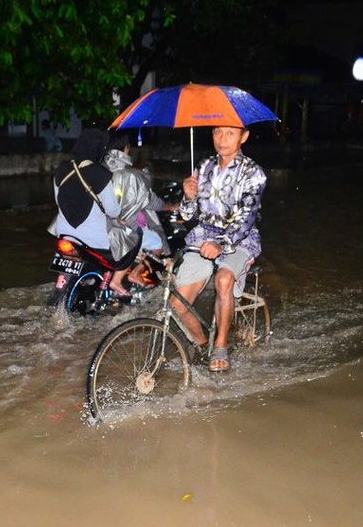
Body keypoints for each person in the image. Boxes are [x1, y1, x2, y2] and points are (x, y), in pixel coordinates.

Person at [171, 125, 266, 372]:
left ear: (244, 136)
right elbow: (187, 214)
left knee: (223, 280)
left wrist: (221, 244)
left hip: (239, 240)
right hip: (202, 239)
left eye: (230, 133)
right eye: (217, 132)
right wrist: (188, 196)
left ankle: (221, 345)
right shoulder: (203, 167)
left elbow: (246, 219)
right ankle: (203, 345)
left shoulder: (253, 173)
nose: (222, 139)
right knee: (177, 303)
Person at [102, 132, 176, 296]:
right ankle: (132, 275)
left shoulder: (101, 171)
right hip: (125, 230)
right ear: (126, 149)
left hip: (102, 228)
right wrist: (169, 207)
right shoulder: (132, 176)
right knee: (157, 243)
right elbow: (151, 201)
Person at [51, 128, 119, 250]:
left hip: (64, 234)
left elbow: (58, 201)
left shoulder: (61, 170)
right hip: (94, 240)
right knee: (124, 260)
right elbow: (112, 211)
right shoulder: (101, 175)